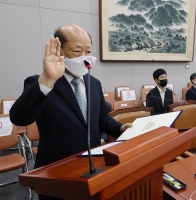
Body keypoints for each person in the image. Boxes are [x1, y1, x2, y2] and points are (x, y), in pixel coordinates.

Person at [10, 25, 132, 200]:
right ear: (60, 52)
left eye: (88, 51)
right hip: (56, 170)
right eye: (77, 51)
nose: (85, 57)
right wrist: (47, 80)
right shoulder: (42, 82)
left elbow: (101, 118)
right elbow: (19, 118)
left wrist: (120, 128)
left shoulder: (94, 83)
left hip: (94, 166)